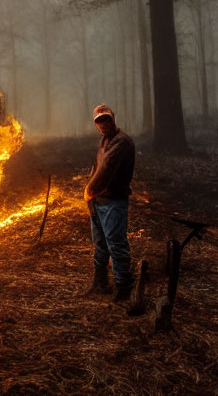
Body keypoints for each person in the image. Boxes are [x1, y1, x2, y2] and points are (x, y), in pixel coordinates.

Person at [83, 103, 136, 302]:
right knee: (101, 245)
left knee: (116, 244)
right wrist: (92, 194)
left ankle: (124, 288)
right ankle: (101, 283)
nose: (103, 124)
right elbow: (98, 167)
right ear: (95, 124)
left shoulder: (121, 142)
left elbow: (106, 170)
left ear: (113, 119)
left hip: (113, 202)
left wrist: (88, 191)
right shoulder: (104, 141)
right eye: (99, 121)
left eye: (106, 119)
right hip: (98, 202)